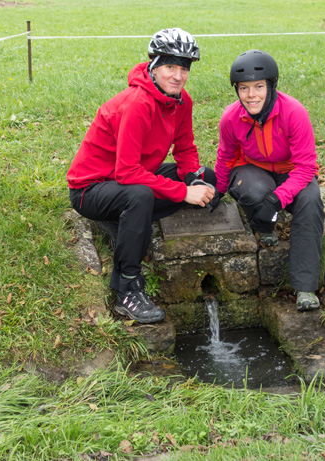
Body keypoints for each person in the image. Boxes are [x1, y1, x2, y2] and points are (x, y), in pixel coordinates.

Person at [67, 28, 219, 324]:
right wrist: (182, 193)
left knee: (206, 176)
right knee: (140, 196)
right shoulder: (138, 103)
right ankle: (127, 289)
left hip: (132, 177)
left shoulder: (181, 101)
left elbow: (185, 148)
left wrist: (193, 181)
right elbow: (126, 172)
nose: (178, 75)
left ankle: (125, 223)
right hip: (91, 188)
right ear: (154, 65)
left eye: (184, 68)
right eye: (170, 67)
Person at [214, 49, 325, 311]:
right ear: (236, 90)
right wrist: (217, 192)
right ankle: (264, 228)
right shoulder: (231, 117)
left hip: (293, 170)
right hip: (255, 169)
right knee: (253, 190)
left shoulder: (294, 112)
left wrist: (277, 200)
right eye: (244, 88)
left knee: (310, 201)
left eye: (259, 86)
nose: (251, 95)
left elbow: (306, 166)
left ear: (271, 86)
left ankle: (305, 287)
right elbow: (225, 158)